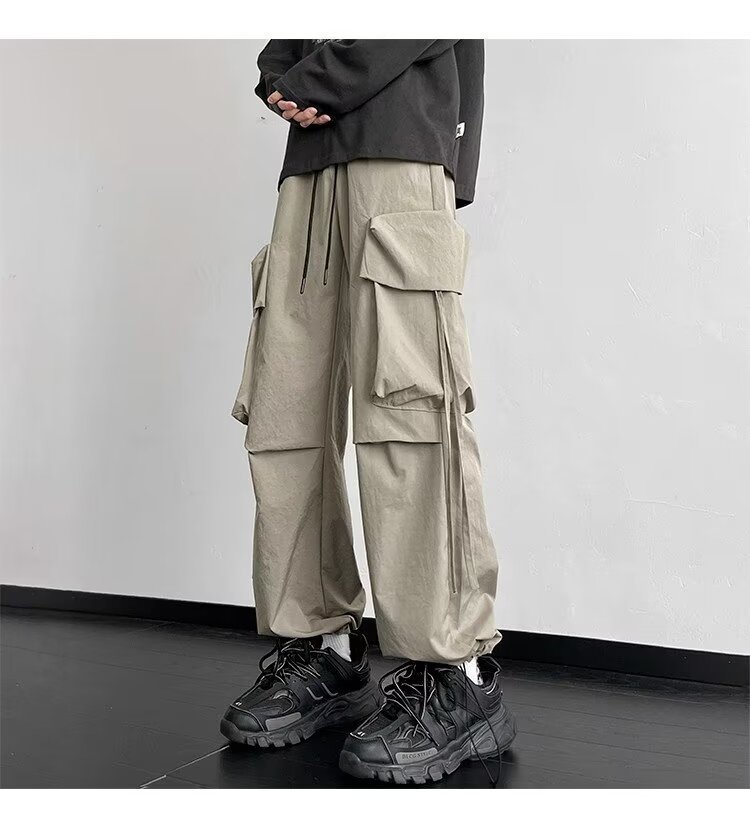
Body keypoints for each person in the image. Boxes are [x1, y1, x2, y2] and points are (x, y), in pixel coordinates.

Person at [220, 39, 516, 784]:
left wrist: (314, 79)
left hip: (399, 140)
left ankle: (456, 674)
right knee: (286, 412)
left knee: (411, 415)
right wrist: (280, 74)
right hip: (310, 162)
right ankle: (323, 647)